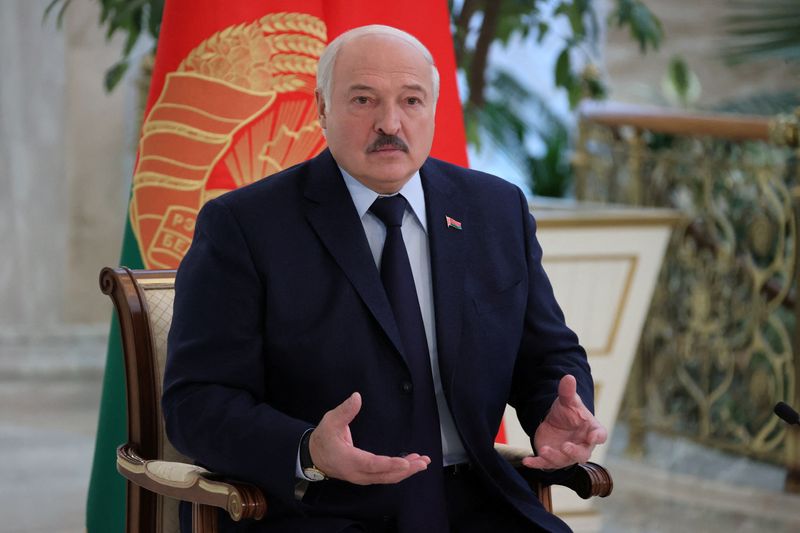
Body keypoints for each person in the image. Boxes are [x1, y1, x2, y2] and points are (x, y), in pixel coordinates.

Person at [163, 24, 607, 533]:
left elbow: (547, 355)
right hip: (318, 508)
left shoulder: (495, 209)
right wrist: (308, 448)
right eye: (363, 100)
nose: (389, 122)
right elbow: (195, 403)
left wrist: (553, 409)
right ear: (322, 109)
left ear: (434, 109)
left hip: (477, 501)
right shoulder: (244, 226)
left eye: (411, 100)